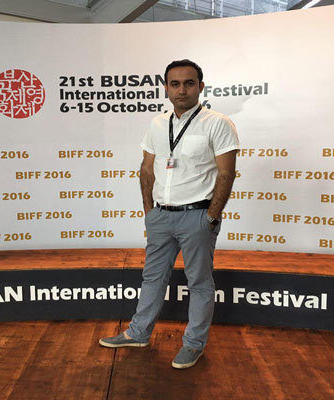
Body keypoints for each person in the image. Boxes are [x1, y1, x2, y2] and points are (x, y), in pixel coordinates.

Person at [99, 59, 239, 369]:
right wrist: (149, 211)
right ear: (166, 88)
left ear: (201, 87)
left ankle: (193, 345)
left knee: (199, 283)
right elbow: (147, 167)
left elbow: (226, 173)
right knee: (152, 278)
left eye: (189, 83)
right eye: (175, 84)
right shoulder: (158, 124)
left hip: (197, 217)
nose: (182, 90)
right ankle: (138, 333)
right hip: (160, 216)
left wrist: (211, 216)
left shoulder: (218, 123)